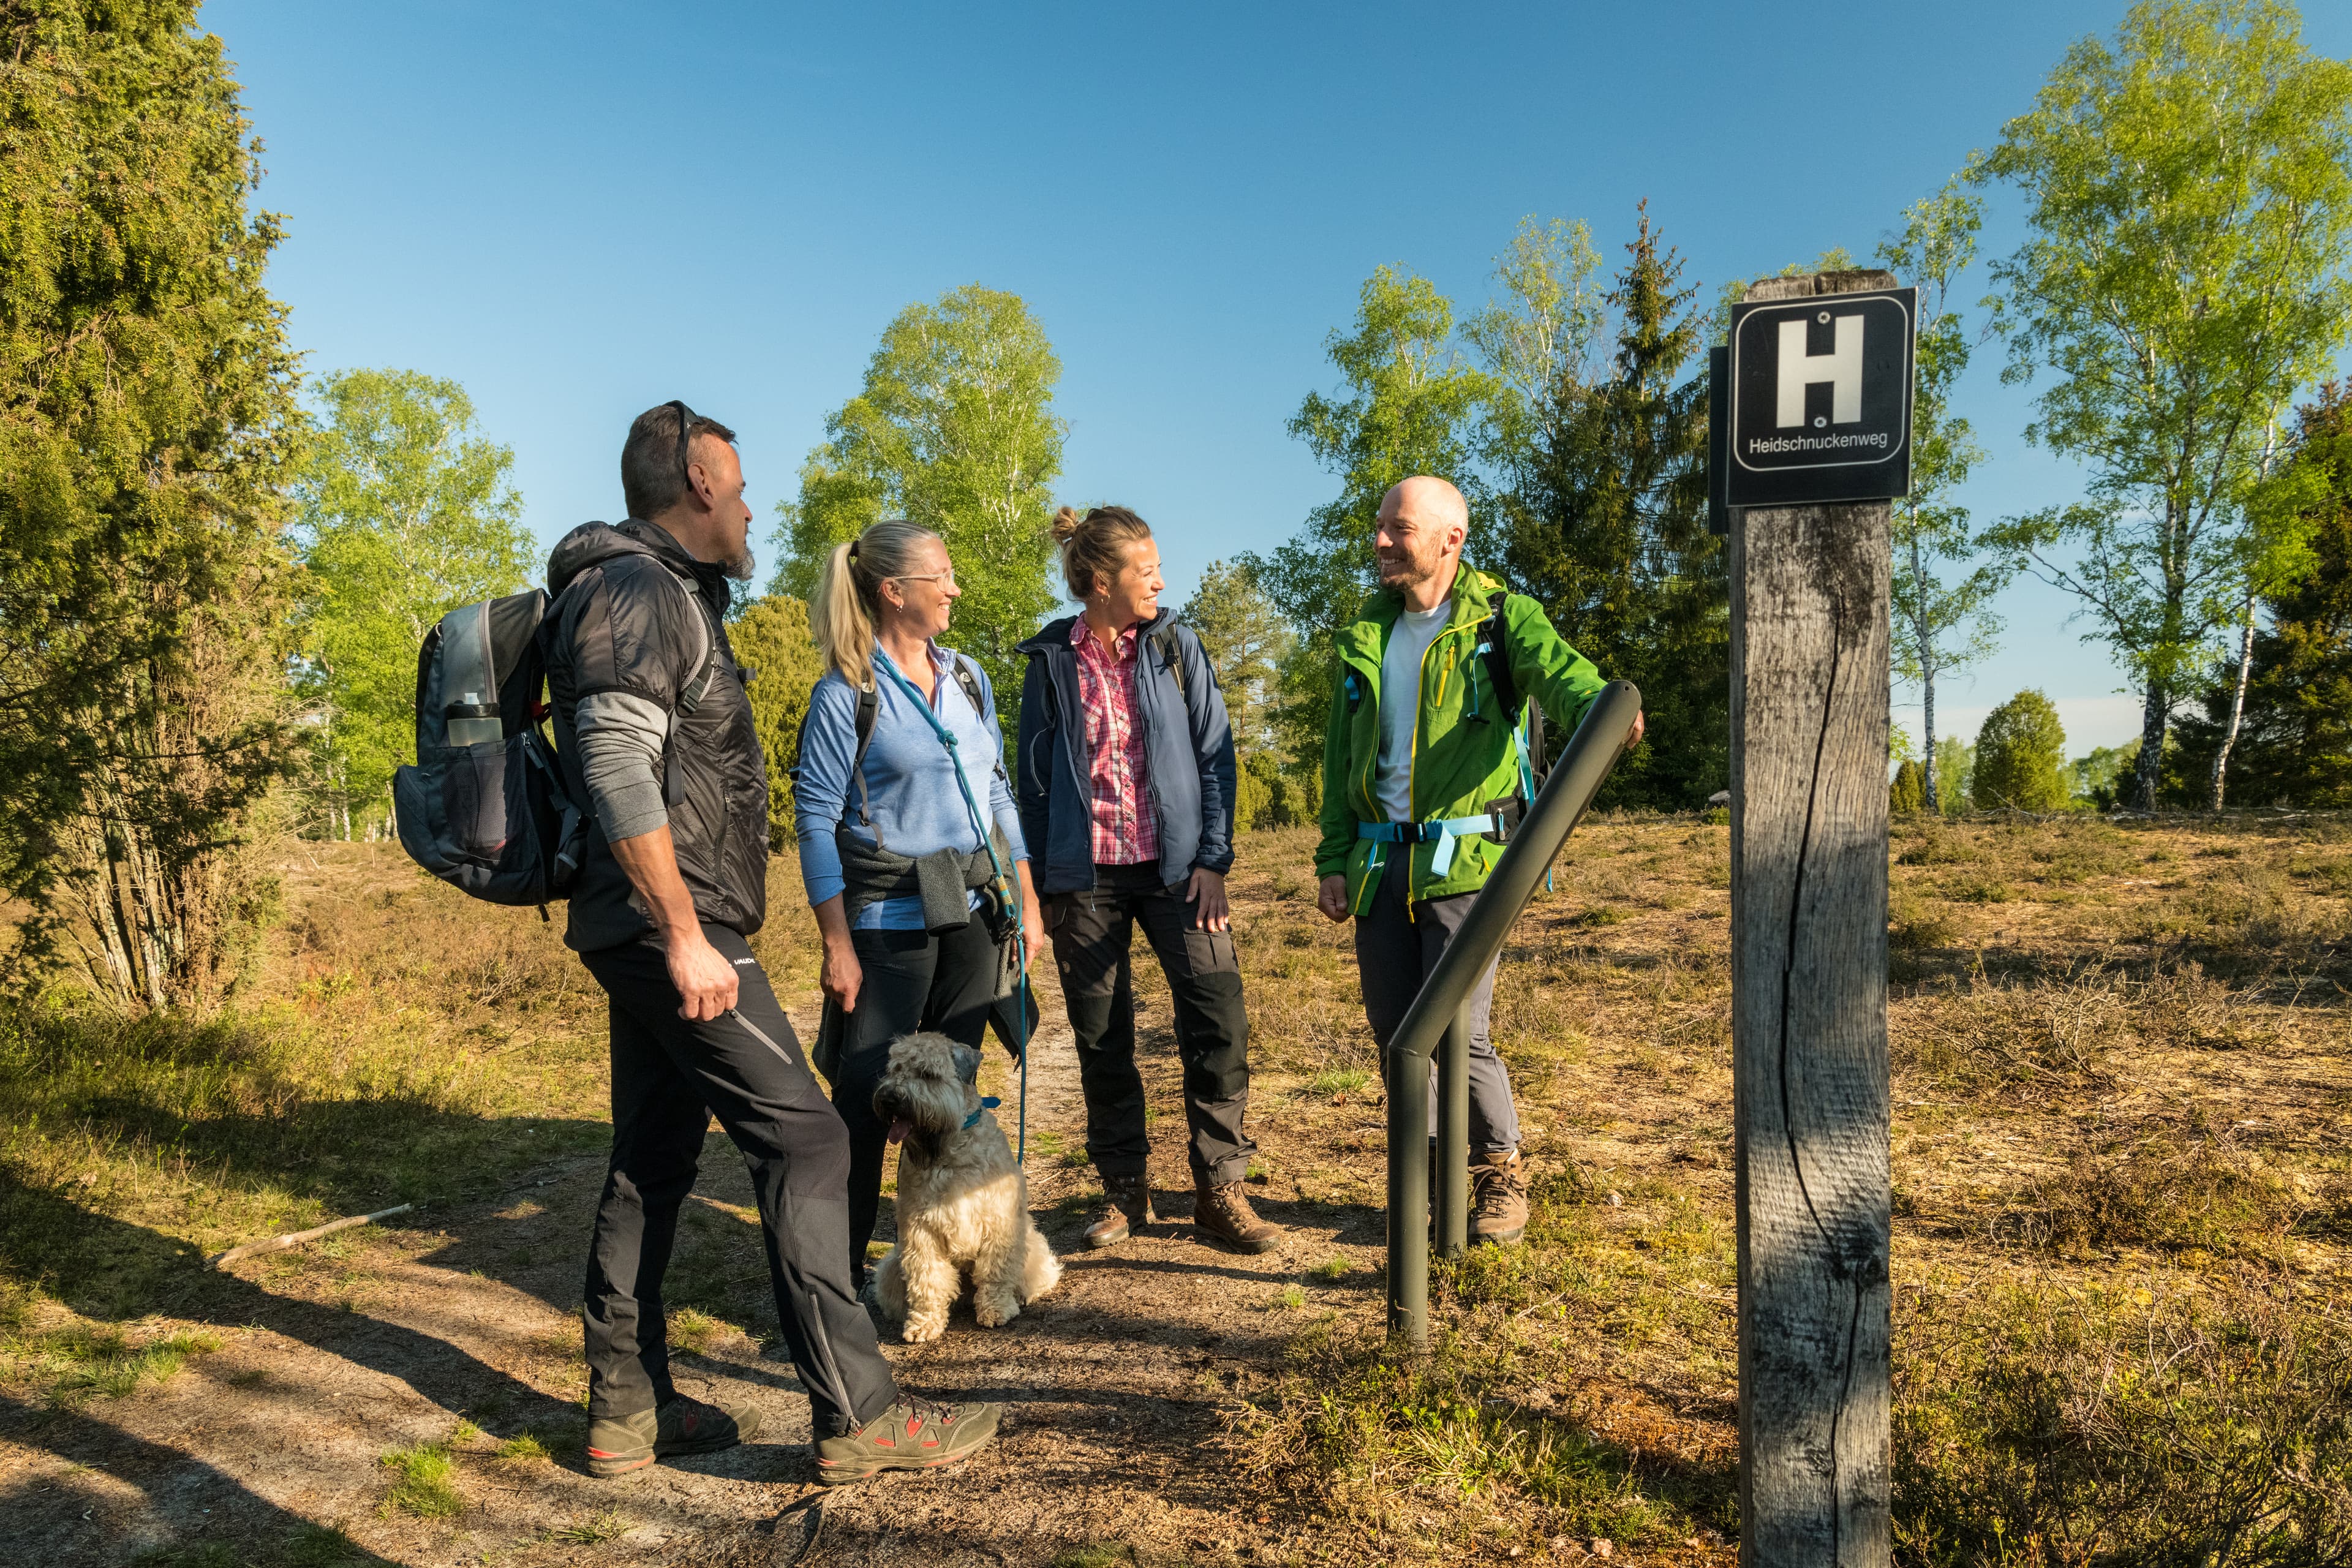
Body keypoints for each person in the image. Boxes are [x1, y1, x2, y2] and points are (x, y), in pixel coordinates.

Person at [541, 403, 1000, 1487]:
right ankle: (859, 1414)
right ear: (698, 484)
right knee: (808, 1141)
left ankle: (626, 1409)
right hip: (673, 925)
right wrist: (688, 935)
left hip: (657, 921)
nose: (750, 509)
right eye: (739, 489)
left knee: (654, 1156)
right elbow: (615, 766)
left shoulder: (657, 592)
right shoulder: (636, 591)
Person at [1313, 476, 1645, 1245]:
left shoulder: (1501, 620)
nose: (1382, 541)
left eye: (1398, 528)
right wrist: (1334, 857)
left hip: (1467, 866)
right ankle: (1426, 1180)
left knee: (1460, 1030)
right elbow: (1341, 763)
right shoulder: (1367, 633)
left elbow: (1566, 678)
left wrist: (1608, 709)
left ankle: (1498, 1171)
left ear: (1449, 540)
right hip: (1377, 869)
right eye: (1379, 527)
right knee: (1397, 1034)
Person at [1015, 505, 1279, 1254]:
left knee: (1217, 1015)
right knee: (1103, 1038)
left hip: (1178, 876)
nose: (1162, 579)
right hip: (1084, 882)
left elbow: (1215, 757)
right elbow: (1031, 785)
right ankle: (1125, 1188)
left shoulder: (1176, 646)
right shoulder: (1051, 662)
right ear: (1102, 582)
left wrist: (1214, 860)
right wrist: (1040, 883)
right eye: (1146, 568)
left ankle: (1219, 1187)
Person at [793, 518, 1045, 1290]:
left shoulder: (968, 675)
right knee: (870, 1108)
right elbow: (813, 817)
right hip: (886, 923)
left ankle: (949, 1265)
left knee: (947, 1106)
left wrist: (1027, 895)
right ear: (894, 590)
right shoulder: (847, 692)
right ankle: (835, 1283)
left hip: (970, 910)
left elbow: (998, 786)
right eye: (943, 575)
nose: (956, 588)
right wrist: (838, 945)